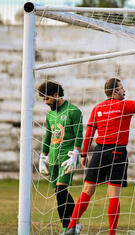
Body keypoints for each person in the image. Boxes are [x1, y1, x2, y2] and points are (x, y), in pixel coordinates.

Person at [64, 78, 135, 235]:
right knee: (113, 195)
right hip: (117, 152)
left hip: (99, 152)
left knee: (87, 190)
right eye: (122, 88)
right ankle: (112, 233)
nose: (124, 90)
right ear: (115, 91)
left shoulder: (97, 108)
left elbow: (90, 133)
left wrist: (84, 154)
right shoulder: (125, 105)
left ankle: (71, 227)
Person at [38, 81, 84, 234]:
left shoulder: (73, 111)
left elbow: (79, 134)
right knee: (59, 194)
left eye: (47, 99)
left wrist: (76, 154)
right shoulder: (50, 115)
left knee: (61, 190)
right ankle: (69, 227)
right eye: (44, 100)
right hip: (53, 158)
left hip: (67, 156)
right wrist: (43, 156)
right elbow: (48, 136)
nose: (46, 103)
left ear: (56, 95)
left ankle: (71, 226)